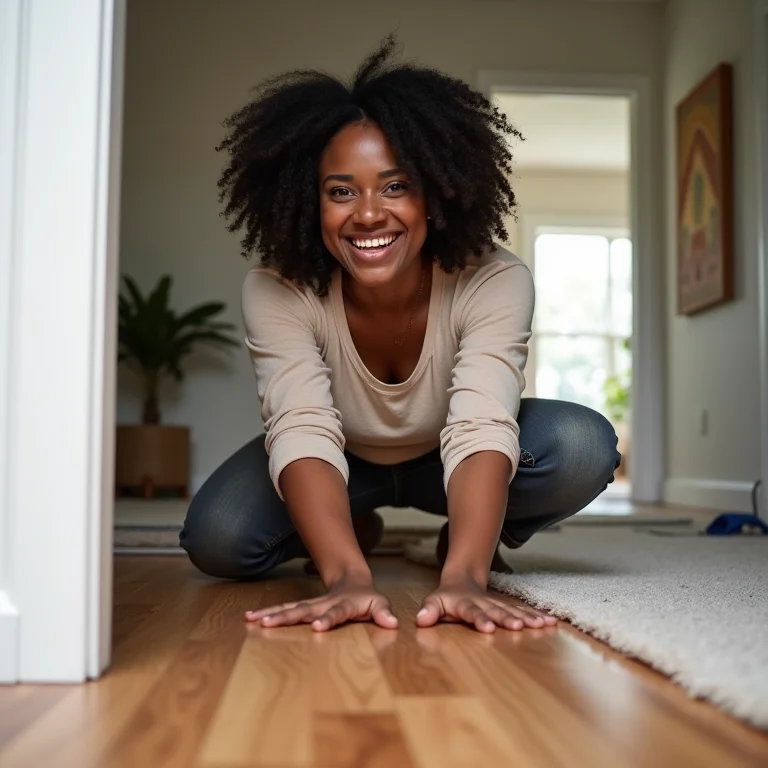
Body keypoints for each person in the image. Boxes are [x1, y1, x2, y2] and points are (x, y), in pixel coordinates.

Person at [180, 36, 621, 634]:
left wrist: (464, 577)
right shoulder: (276, 287)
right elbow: (301, 424)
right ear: (309, 201)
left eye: (395, 185)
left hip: (447, 458)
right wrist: (345, 577)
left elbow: (481, 423)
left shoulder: (493, 278)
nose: (367, 213)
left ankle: (464, 541)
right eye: (341, 191)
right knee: (217, 540)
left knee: (583, 445)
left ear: (435, 194)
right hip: (341, 461)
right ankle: (349, 533)